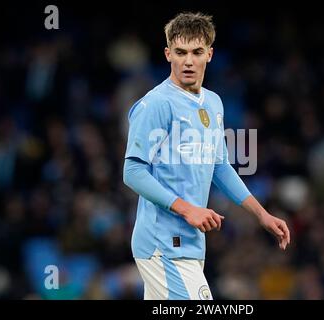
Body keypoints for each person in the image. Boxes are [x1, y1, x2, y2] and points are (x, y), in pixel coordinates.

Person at [123, 12, 290, 300]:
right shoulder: (156, 104)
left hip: (191, 245)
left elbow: (220, 166)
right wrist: (188, 209)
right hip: (162, 242)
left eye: (197, 52)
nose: (188, 61)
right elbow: (133, 172)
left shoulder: (213, 102)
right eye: (180, 52)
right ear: (167, 54)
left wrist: (261, 215)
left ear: (209, 54)